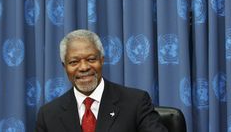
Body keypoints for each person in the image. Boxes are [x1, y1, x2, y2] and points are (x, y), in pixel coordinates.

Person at [35, 29, 168, 132]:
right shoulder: (48, 115)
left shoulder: (136, 102)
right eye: (74, 62)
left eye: (91, 59)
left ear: (102, 60)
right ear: (65, 67)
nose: (84, 67)